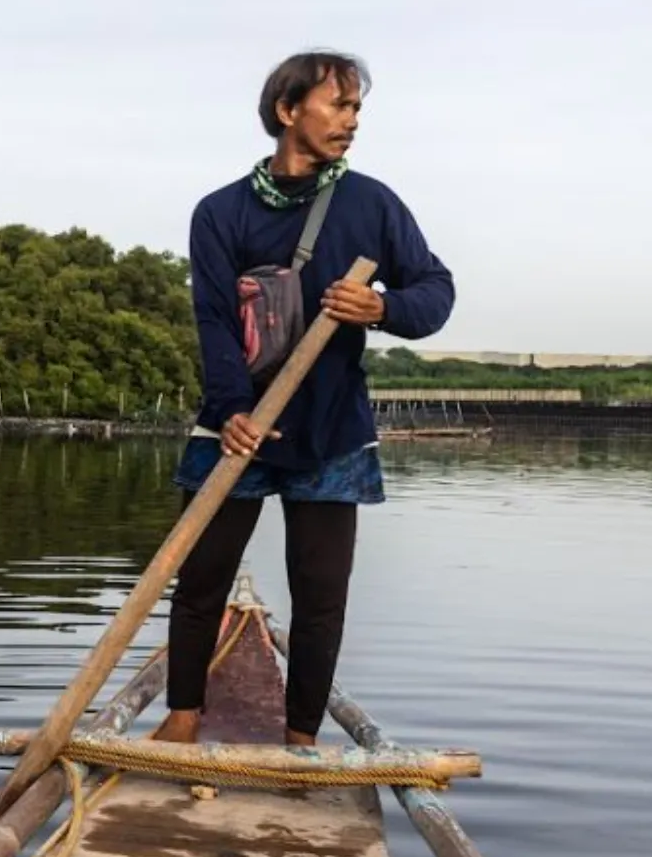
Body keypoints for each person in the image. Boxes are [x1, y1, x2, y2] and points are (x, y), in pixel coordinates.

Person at [152, 51, 453, 747]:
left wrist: (380, 307)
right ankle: (183, 716)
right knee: (200, 578)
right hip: (238, 424)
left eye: (356, 110)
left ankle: (300, 741)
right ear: (290, 112)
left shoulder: (371, 204)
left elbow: (435, 292)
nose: (351, 121)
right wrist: (232, 410)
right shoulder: (221, 212)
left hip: (331, 430)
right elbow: (215, 320)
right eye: (338, 106)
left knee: (320, 595)